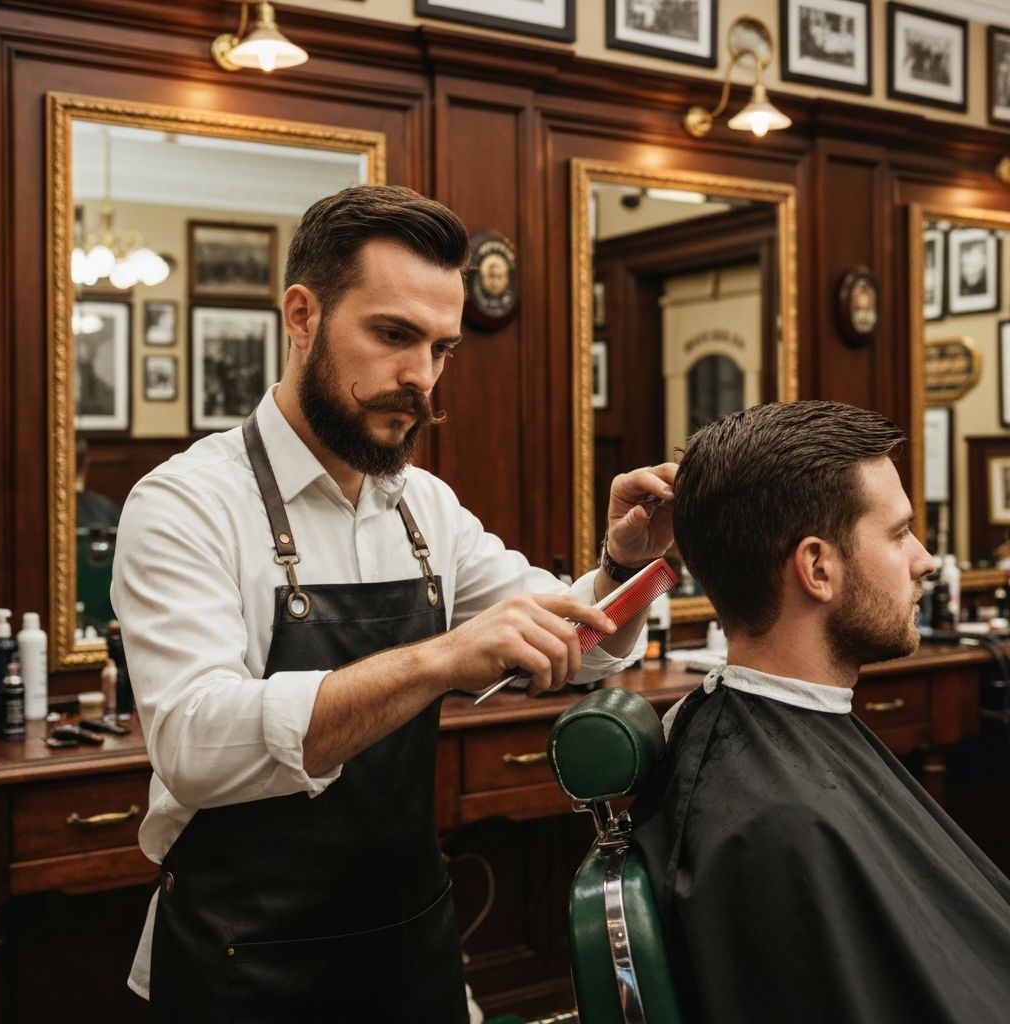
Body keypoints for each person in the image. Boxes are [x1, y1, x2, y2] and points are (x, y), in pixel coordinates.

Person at [112, 184, 675, 1023]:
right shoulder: (186, 503)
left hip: (411, 949)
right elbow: (196, 744)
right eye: (392, 335)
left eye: (442, 348)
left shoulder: (424, 508)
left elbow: (581, 645)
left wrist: (624, 564)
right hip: (241, 967)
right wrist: (441, 657)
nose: (420, 377)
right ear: (302, 315)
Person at [631, 400, 1010, 1023]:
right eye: (897, 533)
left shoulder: (754, 762)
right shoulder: (778, 825)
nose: (925, 561)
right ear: (817, 567)